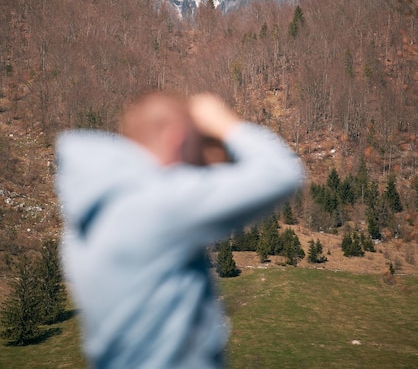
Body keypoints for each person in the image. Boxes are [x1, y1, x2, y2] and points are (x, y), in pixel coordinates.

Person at [56, 93, 305, 369]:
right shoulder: (157, 205)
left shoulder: (90, 219)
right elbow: (281, 173)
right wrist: (225, 124)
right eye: (194, 149)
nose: (196, 166)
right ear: (176, 139)